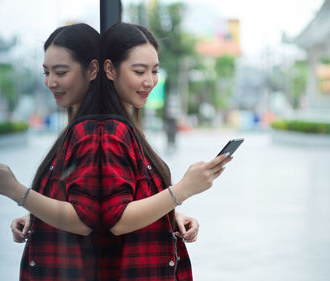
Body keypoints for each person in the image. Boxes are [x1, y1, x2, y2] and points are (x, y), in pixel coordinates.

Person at [97, 22, 232, 281]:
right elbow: (115, 219)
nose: (149, 81)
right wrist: (182, 190)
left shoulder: (127, 126)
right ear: (110, 69)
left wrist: (170, 216)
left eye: (155, 71)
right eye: (139, 71)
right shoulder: (107, 131)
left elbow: (129, 199)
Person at [0, 23, 103, 280]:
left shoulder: (92, 131)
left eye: (61, 72)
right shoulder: (76, 128)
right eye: (46, 72)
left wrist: (15, 191)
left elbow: (85, 220)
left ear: (93, 69)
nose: (51, 82)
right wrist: (37, 217)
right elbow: (75, 202)